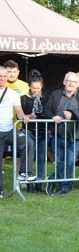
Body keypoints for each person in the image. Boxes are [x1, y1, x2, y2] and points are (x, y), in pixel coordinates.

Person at [45, 72, 79, 195]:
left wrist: (73, 114)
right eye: (68, 81)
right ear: (64, 82)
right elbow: (47, 109)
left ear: (77, 84)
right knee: (59, 161)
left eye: (74, 82)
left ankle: (64, 184)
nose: (71, 84)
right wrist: (52, 116)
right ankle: (63, 185)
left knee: (70, 162)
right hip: (57, 135)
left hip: (74, 136)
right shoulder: (55, 94)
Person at [0, 66, 35, 199]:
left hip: (10, 129)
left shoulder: (13, 94)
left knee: (28, 142)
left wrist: (24, 117)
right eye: (0, 76)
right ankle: (0, 191)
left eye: (4, 75)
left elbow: (18, 110)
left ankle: (24, 172)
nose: (2, 78)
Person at [20, 70, 50, 192]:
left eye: (38, 88)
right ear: (29, 87)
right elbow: (19, 116)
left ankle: (39, 182)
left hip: (43, 131)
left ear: (42, 86)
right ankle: (28, 183)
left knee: (42, 158)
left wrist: (39, 116)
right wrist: (28, 116)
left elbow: (49, 112)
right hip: (29, 131)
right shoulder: (23, 98)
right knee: (29, 156)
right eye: (33, 88)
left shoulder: (47, 97)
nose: (36, 90)